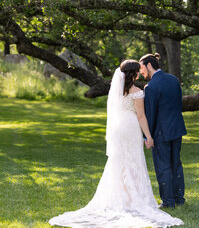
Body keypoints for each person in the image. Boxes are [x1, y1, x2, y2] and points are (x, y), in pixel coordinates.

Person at [49, 60, 183, 227]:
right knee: (134, 161)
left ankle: (121, 198)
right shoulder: (137, 92)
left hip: (119, 128)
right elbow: (141, 117)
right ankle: (136, 198)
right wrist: (149, 137)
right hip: (132, 128)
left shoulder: (117, 91)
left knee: (118, 162)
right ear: (133, 74)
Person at [139, 53, 187, 209]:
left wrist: (148, 137)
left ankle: (168, 202)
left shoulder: (151, 87)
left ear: (149, 65)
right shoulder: (173, 80)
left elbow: (150, 114)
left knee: (163, 166)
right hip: (177, 128)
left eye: (142, 68)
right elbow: (179, 104)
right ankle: (179, 198)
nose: (141, 72)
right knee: (176, 163)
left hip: (161, 132)